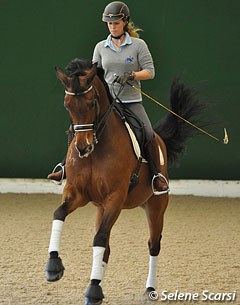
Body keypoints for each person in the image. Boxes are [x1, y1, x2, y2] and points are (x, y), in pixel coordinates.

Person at [48, 1, 169, 195]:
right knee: (76, 128)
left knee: (147, 132)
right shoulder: (100, 47)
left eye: (116, 22)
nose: (112, 26)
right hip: (107, 102)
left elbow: (150, 72)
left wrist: (132, 75)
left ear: (125, 22)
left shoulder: (138, 45)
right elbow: (94, 73)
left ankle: (157, 176)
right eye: (109, 23)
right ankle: (63, 167)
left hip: (130, 101)